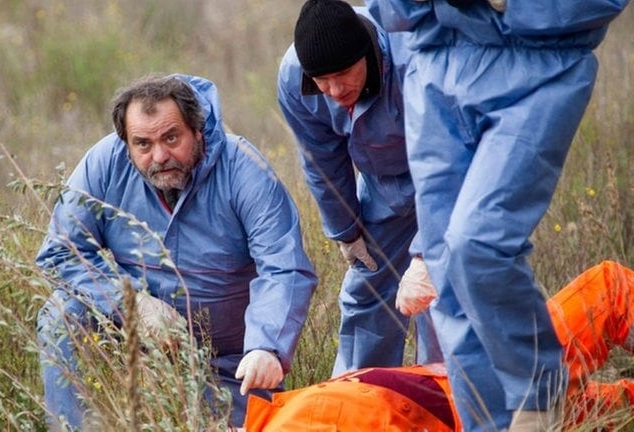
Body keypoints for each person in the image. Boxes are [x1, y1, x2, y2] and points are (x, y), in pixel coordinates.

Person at [364, 0, 631, 429]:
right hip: (434, 69)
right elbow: (388, 11)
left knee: (478, 243)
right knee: (446, 280)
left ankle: (539, 394)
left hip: (539, 64)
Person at [35, 74, 318, 430]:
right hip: (134, 349)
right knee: (60, 314)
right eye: (143, 144)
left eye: (171, 138)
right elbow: (61, 253)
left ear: (197, 130)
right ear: (126, 144)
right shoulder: (104, 163)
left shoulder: (244, 169)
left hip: (229, 362)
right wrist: (130, 303)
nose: (160, 156)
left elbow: (284, 268)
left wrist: (266, 347)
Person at [242, 260, 634, 431]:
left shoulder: (272, 418)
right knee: (611, 290)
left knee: (616, 407)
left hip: (474, 388)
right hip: (496, 396)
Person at [277, 0, 440, 375]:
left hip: (444, 180)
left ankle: (443, 403)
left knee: (439, 295)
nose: (334, 90)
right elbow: (322, 161)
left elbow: (448, 158)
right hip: (384, 188)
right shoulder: (294, 79)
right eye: (322, 80)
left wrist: (428, 252)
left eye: (344, 74)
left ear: (367, 54)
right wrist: (347, 230)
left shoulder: (411, 57)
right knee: (366, 292)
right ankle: (361, 399)